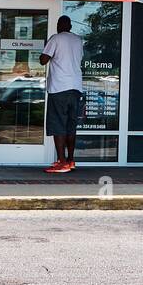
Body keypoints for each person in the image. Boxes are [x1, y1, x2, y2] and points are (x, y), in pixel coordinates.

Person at [39, 14, 84, 173]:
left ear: (59, 26)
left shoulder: (56, 38)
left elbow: (43, 60)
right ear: (71, 27)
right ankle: (71, 160)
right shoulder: (78, 40)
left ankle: (61, 162)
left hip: (59, 87)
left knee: (58, 124)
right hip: (76, 87)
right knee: (71, 126)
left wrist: (46, 47)